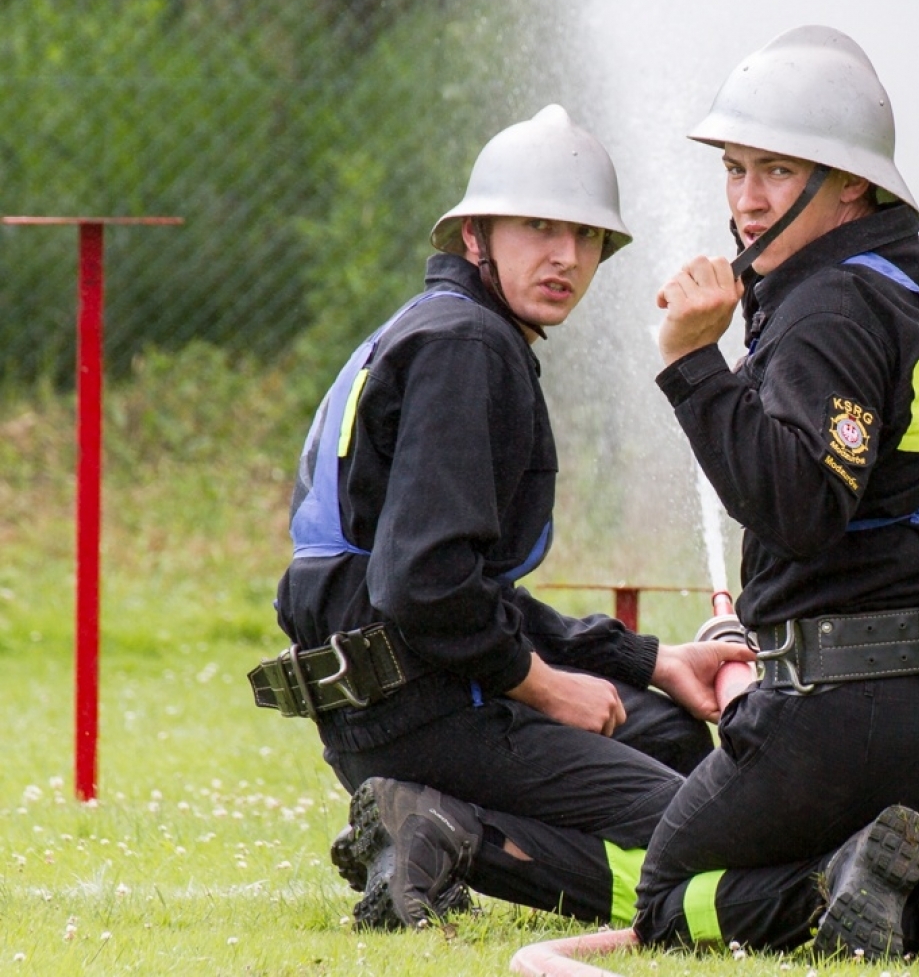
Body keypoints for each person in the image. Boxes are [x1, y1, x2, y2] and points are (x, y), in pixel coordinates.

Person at [248, 105, 753, 931]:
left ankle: (434, 824)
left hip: (401, 699)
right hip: (425, 713)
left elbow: (467, 589)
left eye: (587, 238)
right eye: (538, 227)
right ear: (476, 237)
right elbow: (426, 584)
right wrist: (548, 687)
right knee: (716, 851)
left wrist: (649, 661)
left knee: (667, 736)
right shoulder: (468, 347)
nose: (565, 257)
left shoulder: (447, 330)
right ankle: (444, 833)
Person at [633, 27, 919, 964]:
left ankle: (843, 878)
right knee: (889, 851)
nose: (746, 200)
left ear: (851, 183)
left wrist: (694, 364)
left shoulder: (827, 306)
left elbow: (800, 508)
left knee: (669, 899)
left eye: (777, 172)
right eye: (736, 170)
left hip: (848, 718)